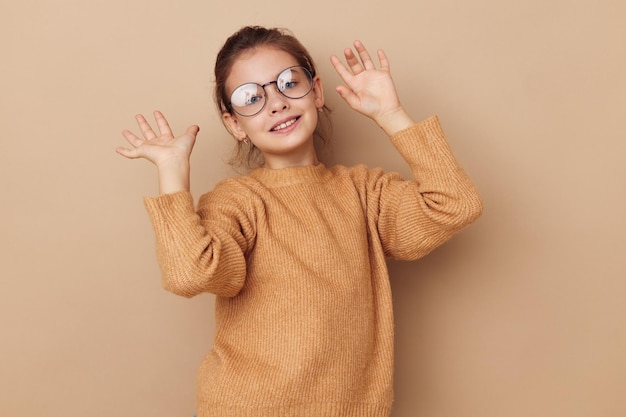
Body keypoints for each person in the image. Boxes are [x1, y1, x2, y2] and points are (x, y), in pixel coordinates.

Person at [116, 25, 482, 417]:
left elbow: (455, 205)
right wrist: (173, 174)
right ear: (235, 124)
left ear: (317, 91)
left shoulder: (364, 192)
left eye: (289, 82)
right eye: (251, 97)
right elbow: (189, 274)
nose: (276, 103)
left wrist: (392, 114)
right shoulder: (237, 202)